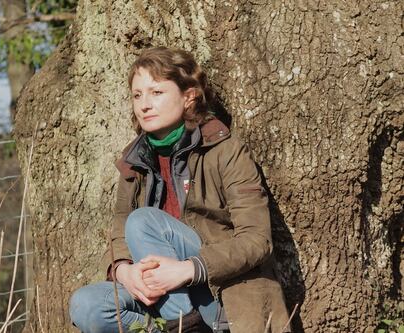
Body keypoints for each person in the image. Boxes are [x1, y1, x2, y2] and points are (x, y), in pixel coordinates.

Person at [69, 47, 291, 333]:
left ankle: (183, 326)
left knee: (144, 221)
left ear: (189, 96)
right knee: (87, 304)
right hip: (158, 295)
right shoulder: (134, 163)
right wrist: (125, 271)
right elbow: (118, 236)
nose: (144, 105)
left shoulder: (225, 151)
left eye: (156, 92)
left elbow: (257, 241)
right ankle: (178, 327)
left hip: (219, 289)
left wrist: (186, 269)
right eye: (138, 95)